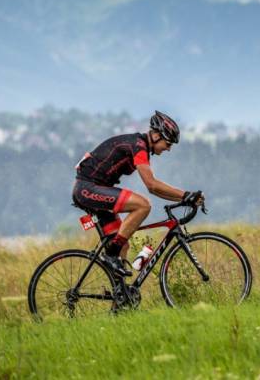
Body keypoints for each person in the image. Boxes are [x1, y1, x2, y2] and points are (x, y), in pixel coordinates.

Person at [72, 110, 201, 275]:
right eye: (168, 144)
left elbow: (154, 189)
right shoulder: (138, 146)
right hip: (87, 189)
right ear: (156, 136)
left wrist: (185, 197)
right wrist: (185, 195)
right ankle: (110, 255)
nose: (169, 149)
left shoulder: (141, 147)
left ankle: (120, 297)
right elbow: (152, 185)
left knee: (122, 246)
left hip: (92, 189)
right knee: (143, 205)